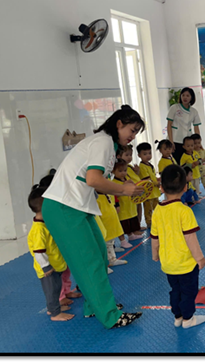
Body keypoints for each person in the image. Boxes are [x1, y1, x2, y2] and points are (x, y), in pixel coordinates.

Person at [42, 105, 145, 329]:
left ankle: (93, 306)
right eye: (132, 130)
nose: (133, 136)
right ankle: (110, 315)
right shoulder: (103, 142)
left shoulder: (108, 145)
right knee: (90, 263)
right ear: (119, 124)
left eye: (137, 132)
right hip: (64, 207)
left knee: (99, 256)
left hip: (78, 206)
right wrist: (123, 189)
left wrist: (123, 186)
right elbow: (93, 180)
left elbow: (98, 183)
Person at [151, 164, 205, 329]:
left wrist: (155, 254)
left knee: (175, 290)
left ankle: (178, 316)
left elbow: (154, 237)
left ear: (161, 188)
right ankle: (188, 319)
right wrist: (199, 258)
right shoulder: (184, 211)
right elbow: (190, 238)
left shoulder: (157, 210)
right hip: (185, 263)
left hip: (168, 263)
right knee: (189, 291)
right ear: (185, 187)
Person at [27, 184, 74, 322]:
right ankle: (54, 313)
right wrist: (45, 266)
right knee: (52, 291)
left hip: (55, 265)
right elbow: (38, 251)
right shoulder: (38, 230)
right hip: (48, 269)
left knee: (57, 288)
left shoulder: (45, 223)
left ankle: (56, 307)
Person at [112, 159, 145, 245]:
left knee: (131, 220)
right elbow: (115, 194)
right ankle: (123, 241)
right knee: (123, 224)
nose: (123, 173)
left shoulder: (127, 178)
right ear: (113, 171)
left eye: (125, 170)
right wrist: (124, 186)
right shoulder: (113, 182)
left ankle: (131, 235)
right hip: (122, 207)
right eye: (120, 171)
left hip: (130, 206)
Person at [166, 87, 202, 164]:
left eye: (187, 96)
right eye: (183, 95)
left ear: (191, 97)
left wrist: (198, 142)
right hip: (175, 140)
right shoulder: (174, 108)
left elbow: (196, 128)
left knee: (189, 163)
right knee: (177, 163)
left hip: (188, 142)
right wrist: (171, 141)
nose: (185, 97)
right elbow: (169, 125)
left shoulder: (194, 111)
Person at [96, 190, 127, 268]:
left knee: (110, 242)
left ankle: (112, 259)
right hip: (104, 225)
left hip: (110, 224)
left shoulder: (107, 194)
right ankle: (104, 265)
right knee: (103, 245)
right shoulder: (96, 198)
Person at [119, 144, 145, 230]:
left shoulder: (129, 167)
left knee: (139, 208)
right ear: (119, 156)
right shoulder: (121, 168)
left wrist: (137, 172)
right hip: (131, 192)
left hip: (137, 190)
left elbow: (134, 177)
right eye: (126, 155)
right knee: (133, 211)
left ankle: (138, 224)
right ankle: (135, 227)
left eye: (130, 155)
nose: (129, 157)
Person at [137, 142, 161, 229]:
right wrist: (156, 183)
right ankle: (149, 222)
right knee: (148, 209)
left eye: (149, 153)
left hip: (154, 192)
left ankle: (158, 220)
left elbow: (152, 177)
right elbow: (147, 180)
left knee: (157, 207)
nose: (148, 156)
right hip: (148, 193)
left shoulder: (150, 165)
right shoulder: (142, 166)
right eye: (145, 154)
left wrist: (157, 179)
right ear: (139, 155)